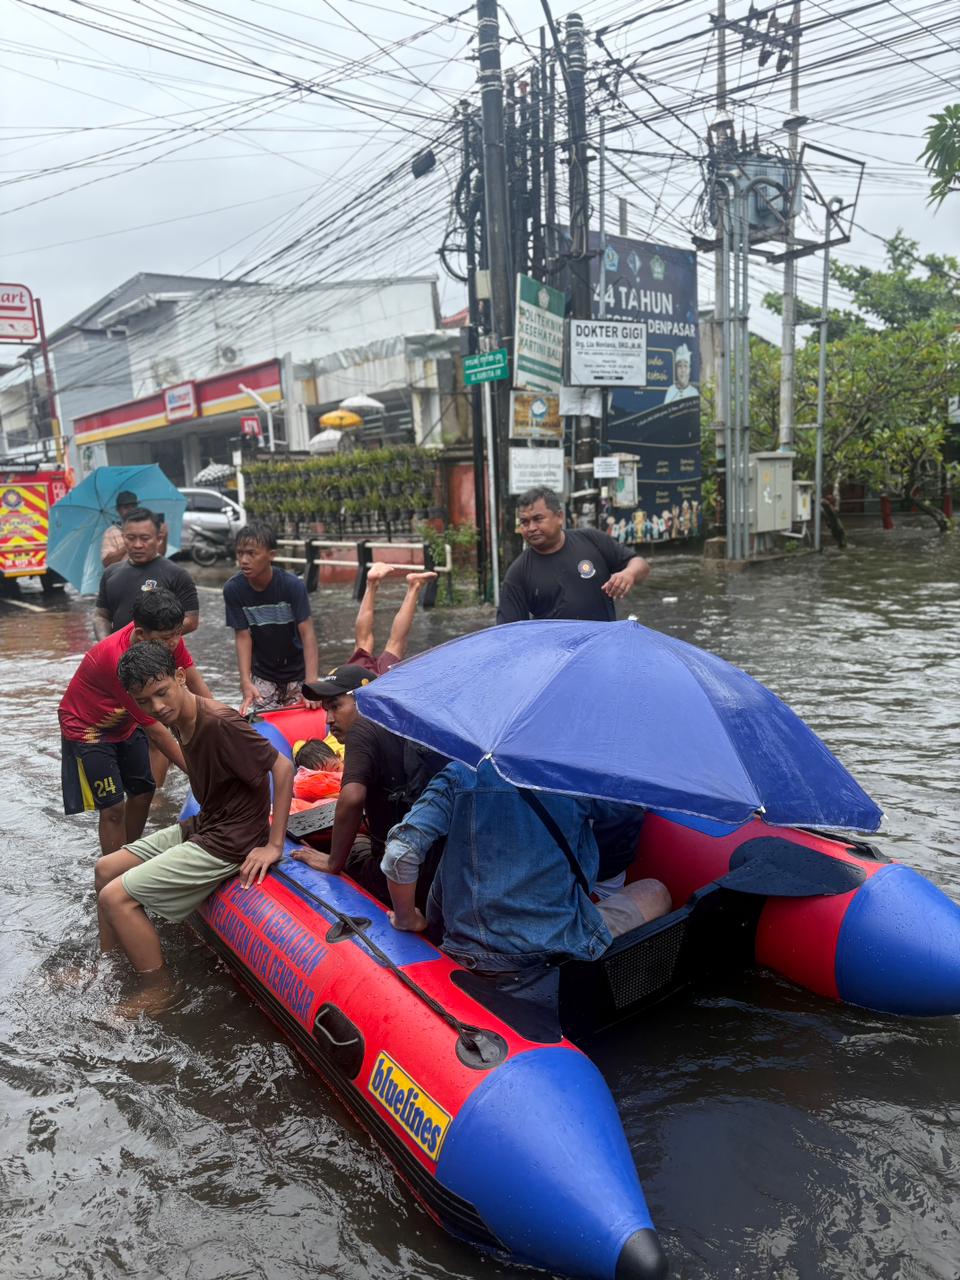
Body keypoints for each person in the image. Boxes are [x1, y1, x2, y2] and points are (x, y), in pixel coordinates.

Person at [381, 761, 670, 1029]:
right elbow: (628, 808)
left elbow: (400, 854)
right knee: (655, 891)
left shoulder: (460, 774)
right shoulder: (574, 776)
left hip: (470, 952)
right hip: (561, 945)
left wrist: (407, 918)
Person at [94, 641, 294, 1004]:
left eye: (162, 692)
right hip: (208, 823)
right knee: (105, 868)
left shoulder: (219, 722)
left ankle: (159, 989)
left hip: (232, 839)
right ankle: (110, 964)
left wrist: (274, 844)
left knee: (116, 897)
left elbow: (282, 767)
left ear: (180, 677)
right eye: (144, 702)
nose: (157, 707)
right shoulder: (178, 720)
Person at [59, 587, 212, 855]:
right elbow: (157, 731)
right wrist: (201, 775)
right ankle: (112, 870)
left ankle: (128, 855)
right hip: (88, 729)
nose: (174, 643)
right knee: (113, 806)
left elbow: (195, 684)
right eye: (167, 638)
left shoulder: (167, 637)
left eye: (178, 634)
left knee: (144, 790)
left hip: (125, 721)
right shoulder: (117, 661)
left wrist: (226, 725)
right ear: (141, 635)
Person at [291, 664, 445, 901]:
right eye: (326, 710)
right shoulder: (408, 721)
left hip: (394, 874)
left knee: (351, 844)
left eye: (335, 707)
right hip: (436, 869)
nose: (328, 719)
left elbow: (352, 798)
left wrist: (333, 862)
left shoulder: (362, 728)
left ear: (364, 700)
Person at [496, 486, 650, 625]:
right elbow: (509, 632)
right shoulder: (518, 573)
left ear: (559, 517)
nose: (531, 528)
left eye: (538, 519)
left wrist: (629, 574)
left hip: (603, 644)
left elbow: (640, 564)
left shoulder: (592, 540)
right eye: (524, 522)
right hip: (556, 647)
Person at [223, 522, 319, 714]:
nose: (244, 560)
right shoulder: (233, 589)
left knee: (301, 716)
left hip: (297, 669)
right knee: (263, 719)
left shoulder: (292, 586)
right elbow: (242, 637)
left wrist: (312, 682)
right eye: (240, 553)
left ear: (271, 555)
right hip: (263, 672)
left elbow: (307, 634)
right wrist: (245, 681)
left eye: (252, 553)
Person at [95, 507, 198, 640]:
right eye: (131, 538)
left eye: (145, 538)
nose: (137, 545)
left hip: (160, 651)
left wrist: (153, 637)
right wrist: (106, 643)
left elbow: (191, 620)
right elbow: (101, 616)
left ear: (159, 538)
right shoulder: (110, 573)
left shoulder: (177, 574)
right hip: (120, 651)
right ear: (123, 538)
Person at [349, 561, 438, 675]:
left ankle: (415, 586)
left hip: (367, 681)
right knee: (363, 641)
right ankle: (371, 583)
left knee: (395, 643)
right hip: (347, 674)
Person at [101, 490, 168, 569]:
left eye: (133, 506)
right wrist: (129, 544)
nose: (130, 510)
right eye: (126, 507)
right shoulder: (111, 532)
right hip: (123, 574)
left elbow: (160, 556)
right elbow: (107, 563)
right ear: (118, 509)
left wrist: (164, 537)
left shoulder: (147, 528)